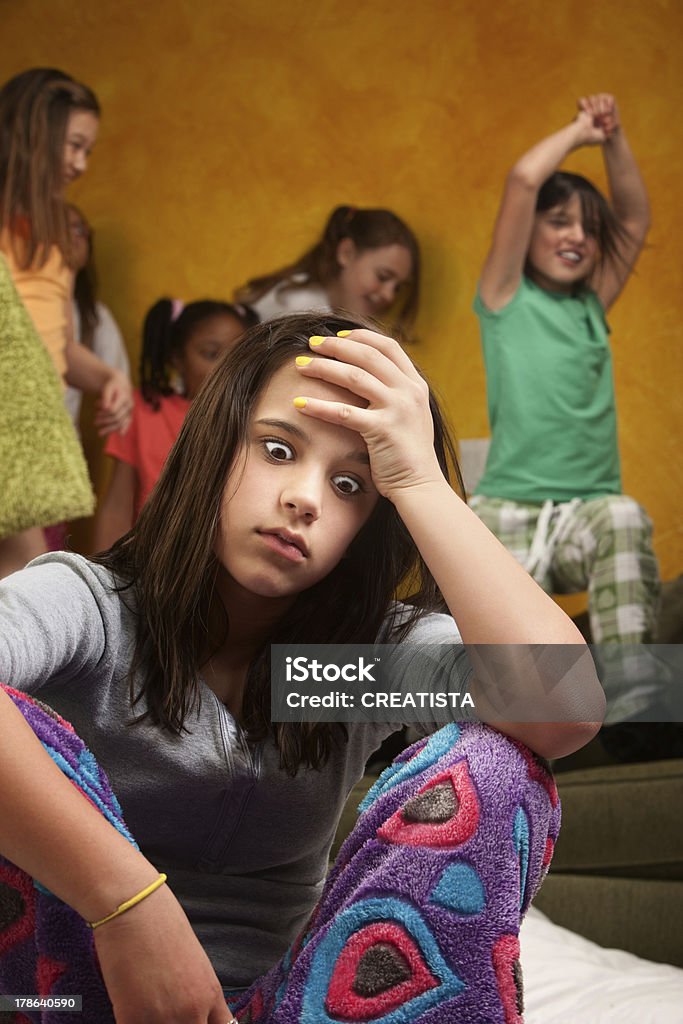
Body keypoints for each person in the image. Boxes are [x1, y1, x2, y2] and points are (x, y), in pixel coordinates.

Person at [0, 312, 604, 1023]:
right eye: (278, 449)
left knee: (499, 762)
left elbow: (563, 708)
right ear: (215, 445)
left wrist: (416, 479)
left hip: (281, 1009)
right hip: (55, 997)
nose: (305, 499)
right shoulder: (96, 612)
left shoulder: (337, 667)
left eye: (350, 486)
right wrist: (126, 905)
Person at [469, 93, 661, 726]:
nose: (576, 235)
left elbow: (633, 216)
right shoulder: (503, 295)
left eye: (587, 226)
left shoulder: (590, 306)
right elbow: (525, 179)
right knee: (459, 566)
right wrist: (580, 130)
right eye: (559, 221)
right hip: (509, 510)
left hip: (584, 512)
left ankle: (633, 705)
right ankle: (465, 720)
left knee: (626, 517)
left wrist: (615, 139)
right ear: (528, 235)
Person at [0, 67, 133, 574]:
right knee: (33, 578)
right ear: (33, 136)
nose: (80, 164)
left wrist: (107, 377)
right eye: (73, 145)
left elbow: (57, 348)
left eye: (89, 151)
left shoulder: (54, 238)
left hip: (37, 434)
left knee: (29, 577)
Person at [93, 297, 258, 549]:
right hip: (150, 560)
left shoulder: (257, 418)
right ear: (177, 359)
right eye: (211, 354)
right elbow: (118, 508)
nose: (226, 366)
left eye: (237, 354)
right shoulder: (143, 411)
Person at [236, 205, 419, 340]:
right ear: (346, 253)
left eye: (398, 288)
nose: (389, 295)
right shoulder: (301, 310)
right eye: (383, 277)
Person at [64, 204, 131, 429]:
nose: (73, 236)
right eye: (61, 226)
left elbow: (65, 354)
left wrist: (115, 385)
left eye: (80, 229)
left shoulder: (94, 316)